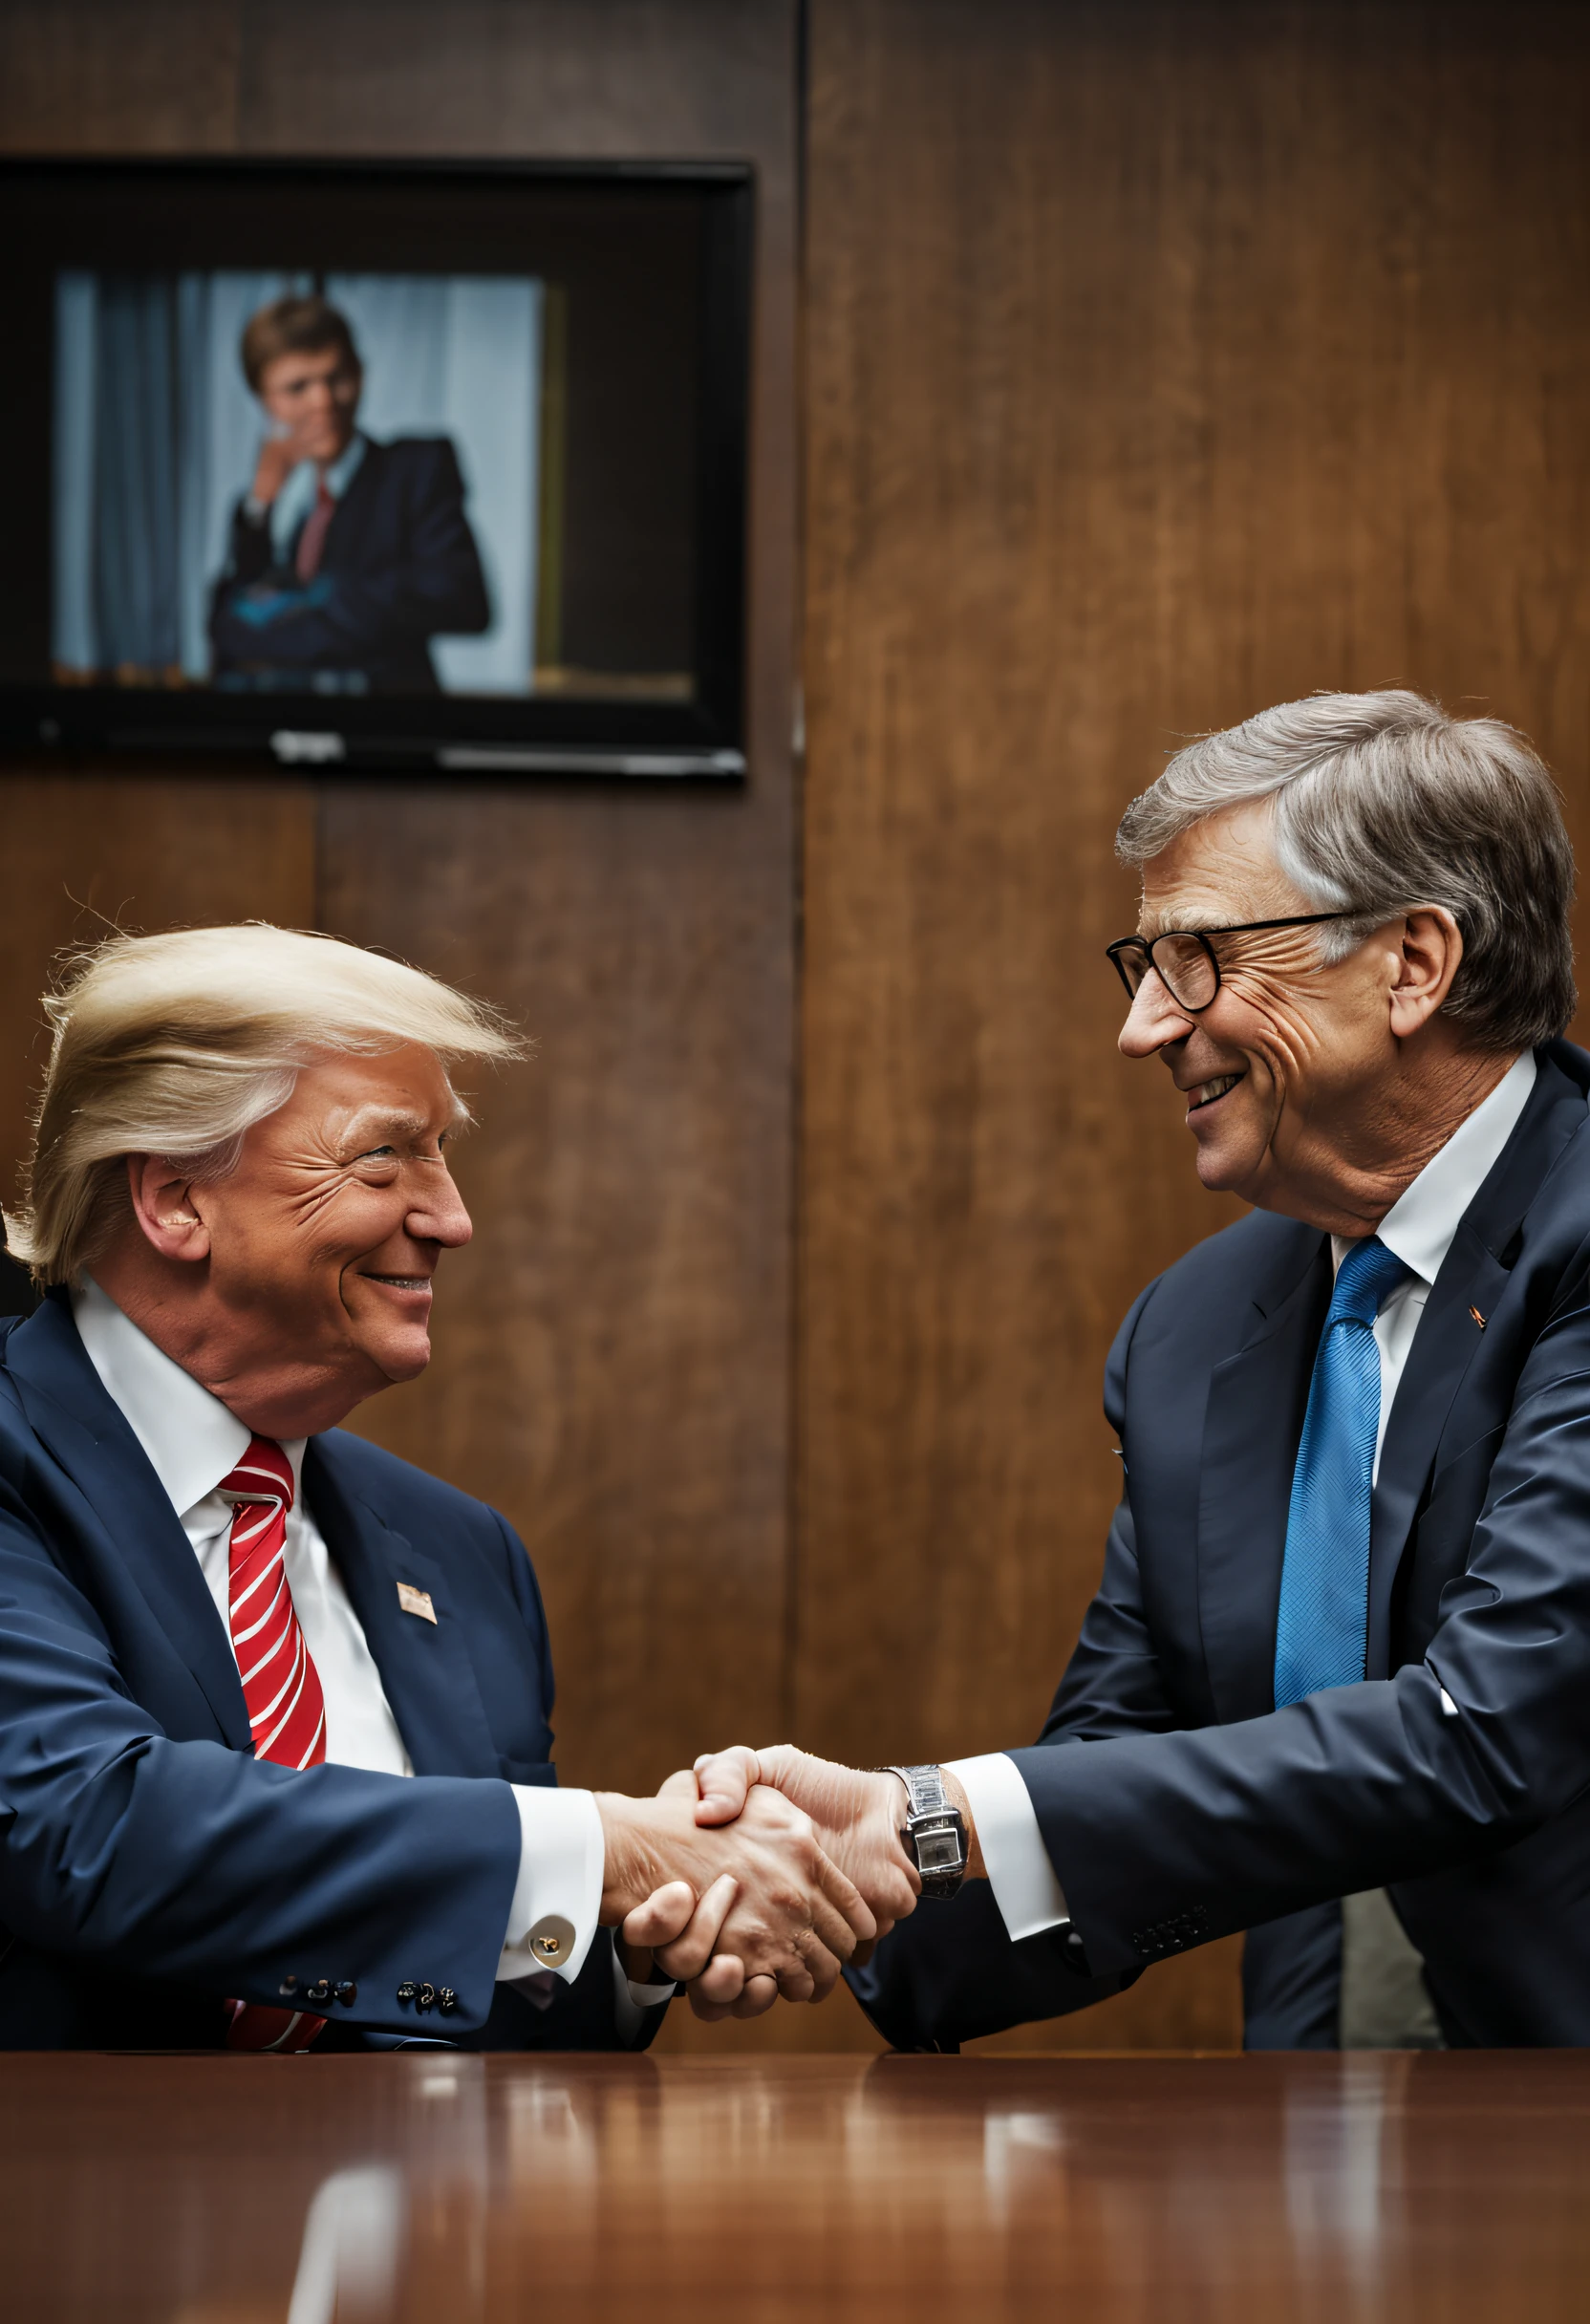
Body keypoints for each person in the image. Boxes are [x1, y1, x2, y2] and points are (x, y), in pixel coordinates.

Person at [671, 689, 1590, 2050]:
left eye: (1201, 958)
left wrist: (933, 1815)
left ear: (1413, 963)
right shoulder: (1198, 1328)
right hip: (1317, 2142)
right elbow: (1126, 1756)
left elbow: (1493, 1723)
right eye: (1146, 966)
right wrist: (780, 1891)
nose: (1147, 1028)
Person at [0, 925, 903, 2051]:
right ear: (177, 1199)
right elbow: (83, 1822)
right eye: (386, 1159)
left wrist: (632, 1936)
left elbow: (487, 1978)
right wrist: (609, 1848)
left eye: (441, 1153)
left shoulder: (461, 1552)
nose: (451, 1217)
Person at [208, 296, 489, 694]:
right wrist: (260, 505)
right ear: (264, 400)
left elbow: (462, 598)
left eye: (337, 378)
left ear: (360, 374)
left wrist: (294, 610)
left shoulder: (413, 470)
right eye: (297, 387)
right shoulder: (269, 504)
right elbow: (225, 632)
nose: (323, 402)